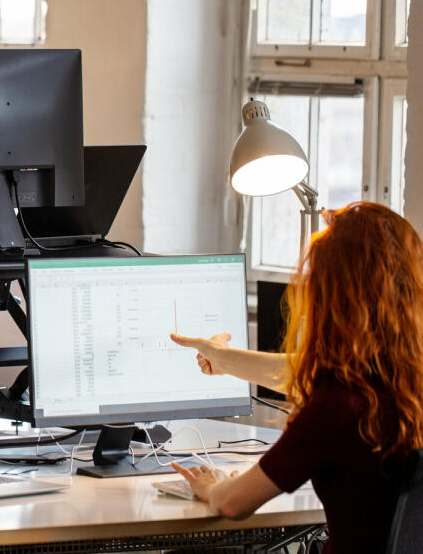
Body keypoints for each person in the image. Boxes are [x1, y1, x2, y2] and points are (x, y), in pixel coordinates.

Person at [170, 202, 423, 553]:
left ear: (332, 298)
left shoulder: (337, 407)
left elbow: (233, 503)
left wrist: (212, 486)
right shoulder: (405, 382)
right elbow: (302, 371)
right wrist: (224, 359)